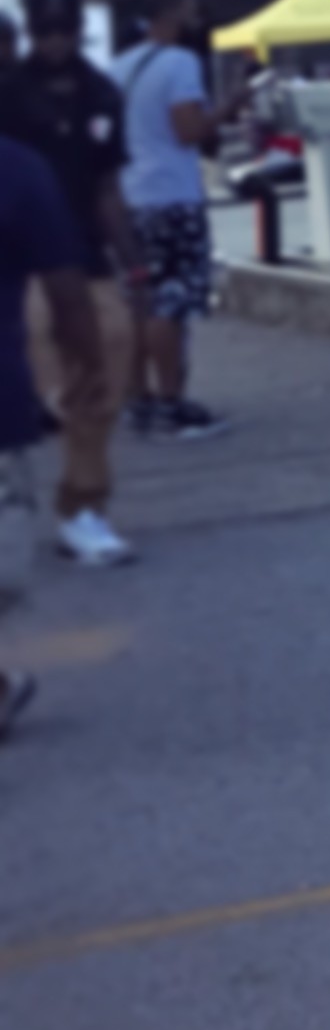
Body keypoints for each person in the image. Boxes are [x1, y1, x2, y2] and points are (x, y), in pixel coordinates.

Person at [0, 0, 137, 564]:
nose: (55, 39)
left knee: (103, 373)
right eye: (45, 29)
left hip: (83, 253)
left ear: (80, 28)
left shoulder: (101, 91)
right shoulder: (7, 88)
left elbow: (108, 186)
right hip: (22, 260)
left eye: (65, 28)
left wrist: (134, 259)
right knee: (41, 373)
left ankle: (83, 505)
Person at [0, 127, 110, 735]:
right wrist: (89, 363)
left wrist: (89, 361)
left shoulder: (18, 169)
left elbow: (66, 287)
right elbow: (66, 290)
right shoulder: (17, 168)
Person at [112, 0, 227, 439]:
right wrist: (231, 104)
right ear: (165, 18)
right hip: (172, 196)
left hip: (129, 198)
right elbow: (188, 130)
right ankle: (171, 401)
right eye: (186, 14)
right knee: (170, 302)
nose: (192, 22)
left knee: (137, 301)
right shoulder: (180, 62)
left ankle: (137, 399)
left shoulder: (117, 68)